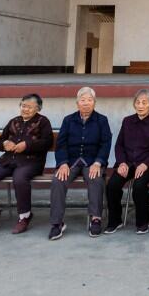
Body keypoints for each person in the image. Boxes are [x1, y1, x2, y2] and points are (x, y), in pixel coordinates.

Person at [0, 93, 54, 234]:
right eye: (23, 106)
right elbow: (0, 140)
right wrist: (4, 143)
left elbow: (47, 142)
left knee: (19, 179)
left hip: (31, 162)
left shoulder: (43, 122)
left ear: (38, 109)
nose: (25, 109)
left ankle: (24, 216)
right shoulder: (14, 121)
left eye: (30, 107)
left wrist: (27, 145)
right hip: (9, 161)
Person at [49, 87, 112, 240]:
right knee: (58, 180)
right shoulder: (68, 120)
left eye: (89, 100)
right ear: (77, 103)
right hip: (71, 161)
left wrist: (98, 162)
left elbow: (105, 143)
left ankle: (95, 218)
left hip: (92, 161)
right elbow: (61, 144)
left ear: (94, 103)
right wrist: (63, 163)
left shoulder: (101, 120)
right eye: (82, 100)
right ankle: (57, 223)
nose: (86, 103)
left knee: (95, 179)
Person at [105, 88, 149, 235]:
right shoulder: (127, 121)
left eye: (144, 102)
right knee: (112, 185)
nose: (140, 105)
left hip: (148, 164)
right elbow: (119, 145)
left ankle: (142, 222)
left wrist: (145, 164)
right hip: (127, 162)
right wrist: (122, 162)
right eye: (137, 102)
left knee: (139, 186)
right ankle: (115, 220)